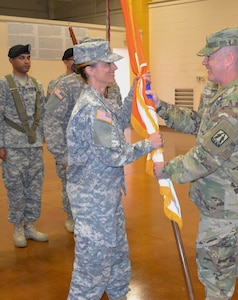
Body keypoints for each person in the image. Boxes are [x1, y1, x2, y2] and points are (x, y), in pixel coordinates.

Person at [151, 27, 238, 299]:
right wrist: (160, 107)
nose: (204, 62)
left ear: (229, 59)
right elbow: (200, 124)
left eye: (210, 57)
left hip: (226, 213)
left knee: (216, 282)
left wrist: (167, 170)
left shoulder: (233, 103)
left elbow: (205, 158)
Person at [66, 40, 163, 300]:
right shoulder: (90, 108)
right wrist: (148, 144)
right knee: (92, 270)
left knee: (118, 258)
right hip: (93, 204)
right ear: (90, 70)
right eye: (107, 63)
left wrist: (135, 88)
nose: (113, 68)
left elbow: (118, 121)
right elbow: (113, 154)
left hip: (106, 199)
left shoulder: (100, 101)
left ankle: (119, 294)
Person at [44, 38, 122, 233]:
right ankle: (73, 217)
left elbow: (118, 118)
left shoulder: (112, 86)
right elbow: (51, 118)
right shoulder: (66, 86)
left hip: (105, 158)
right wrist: (62, 154)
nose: (112, 67)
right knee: (75, 192)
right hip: (77, 156)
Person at [0, 44, 48, 248]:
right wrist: (0, 144)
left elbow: (43, 114)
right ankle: (17, 228)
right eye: (21, 58)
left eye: (28, 57)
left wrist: (43, 139)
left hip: (34, 146)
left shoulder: (37, 84)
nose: (26, 61)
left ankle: (30, 225)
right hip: (13, 146)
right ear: (11, 60)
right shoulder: (3, 84)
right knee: (16, 189)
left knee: (34, 188)